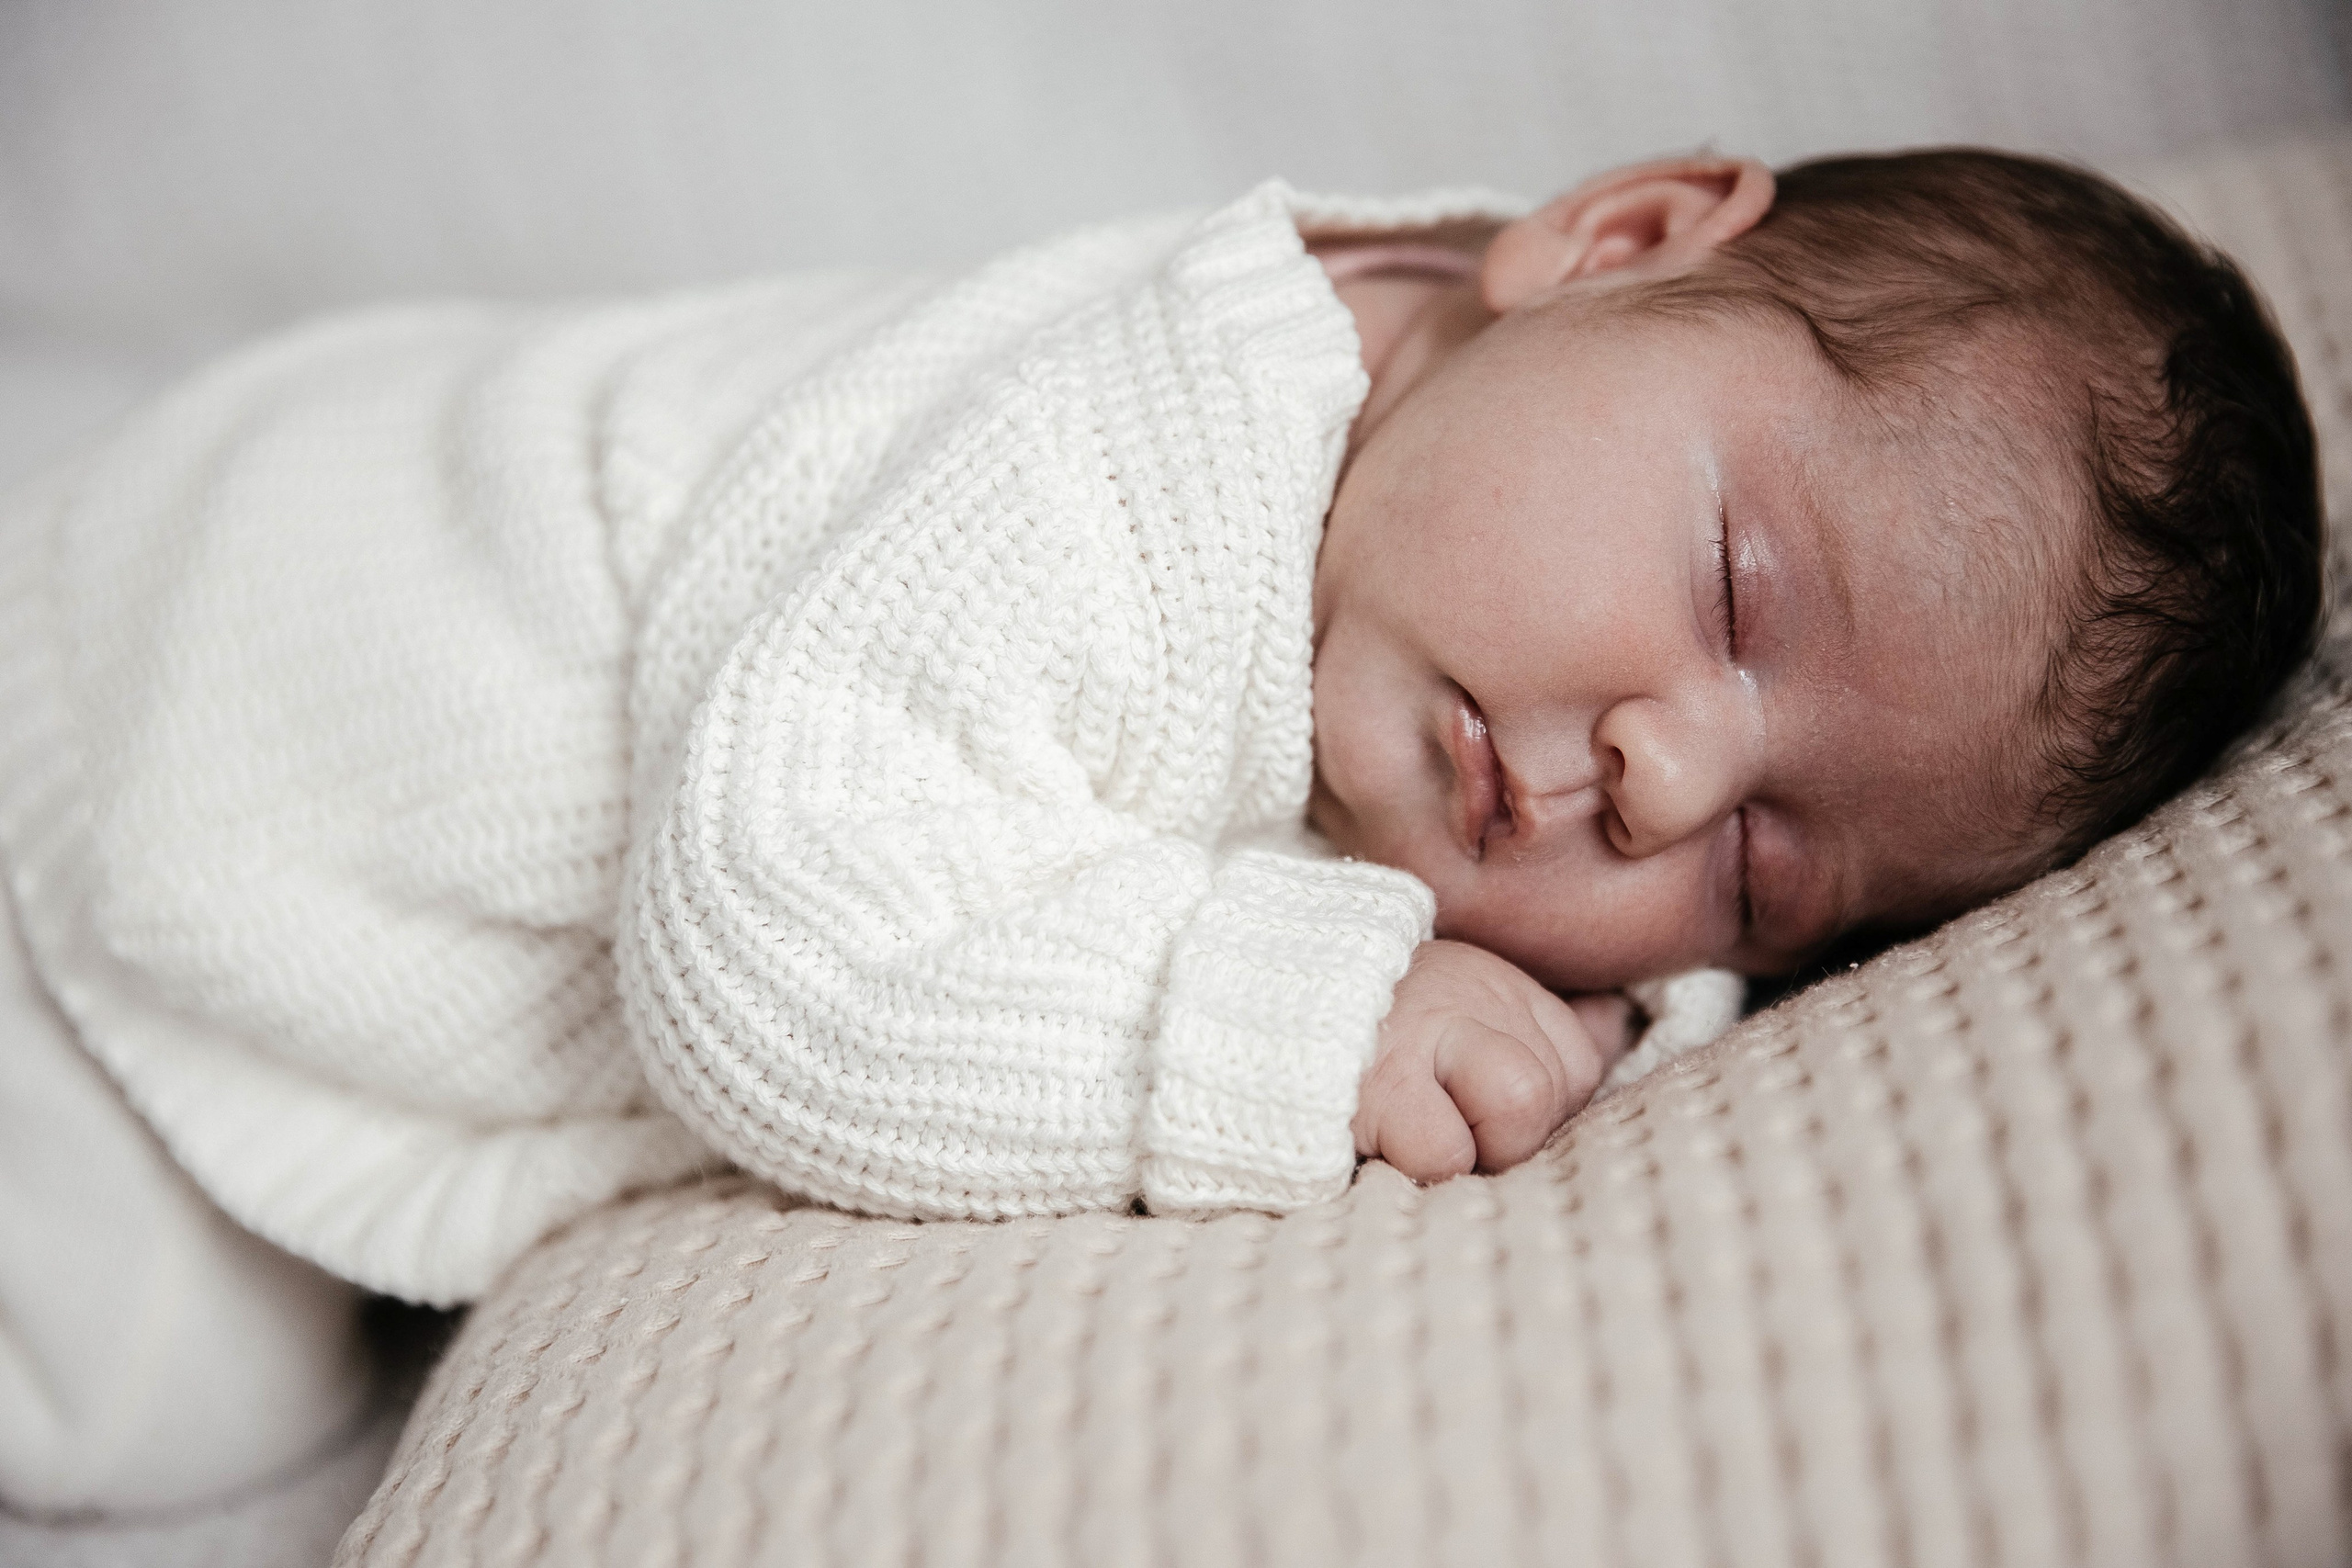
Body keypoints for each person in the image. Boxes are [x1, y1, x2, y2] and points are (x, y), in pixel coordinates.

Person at [0, 148, 2320, 1514]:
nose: (1665, 776)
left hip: (333, 981)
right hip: (174, 719)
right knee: (148, 1386)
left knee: (202, 1380)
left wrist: (1662, 985)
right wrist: (1275, 1014)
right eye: (1731, 593)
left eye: (1770, 864)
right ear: (1608, 240)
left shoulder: (1455, 546)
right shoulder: (1145, 444)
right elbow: (771, 914)